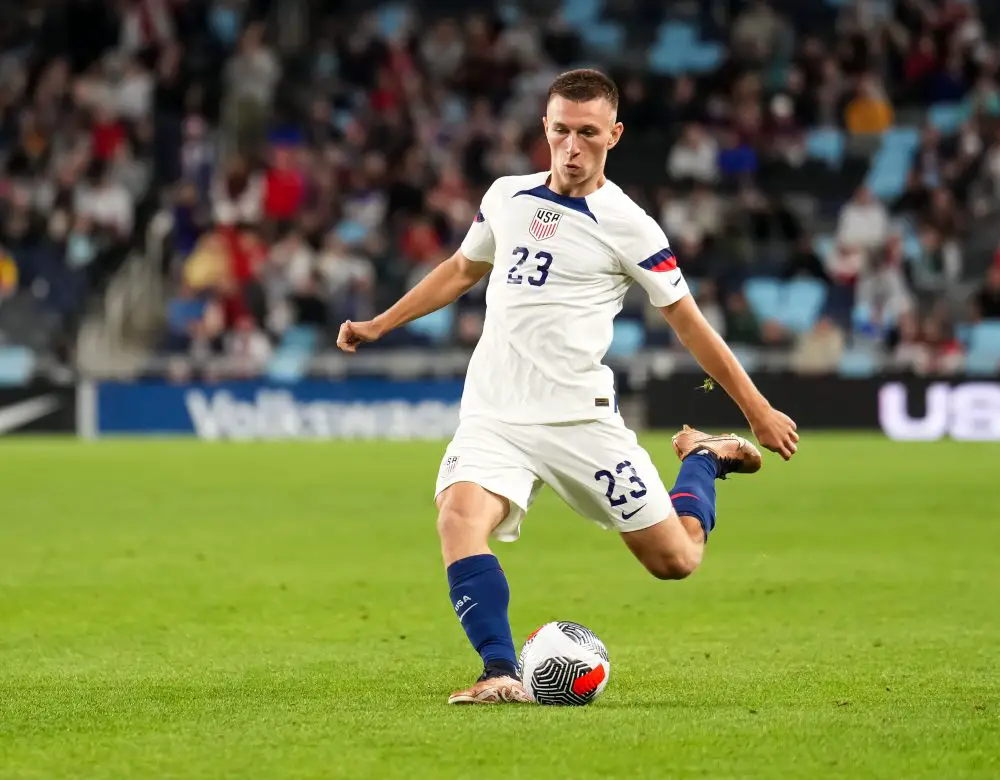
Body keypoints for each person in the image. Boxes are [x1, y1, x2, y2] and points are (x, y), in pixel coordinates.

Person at [335, 70, 800, 704]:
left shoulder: (630, 226)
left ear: (614, 134)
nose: (573, 147)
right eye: (561, 132)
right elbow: (460, 270)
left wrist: (759, 410)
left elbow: (691, 327)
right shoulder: (506, 196)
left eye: (588, 133)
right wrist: (380, 323)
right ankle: (499, 671)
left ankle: (703, 459)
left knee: (676, 560)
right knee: (457, 518)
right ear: (545, 130)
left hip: (580, 422)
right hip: (496, 413)